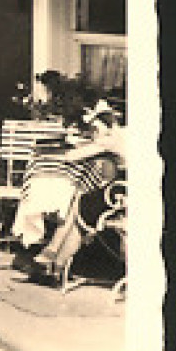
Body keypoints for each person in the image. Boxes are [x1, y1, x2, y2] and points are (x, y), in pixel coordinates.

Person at [29, 101, 127, 281]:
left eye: (96, 129)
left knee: (80, 205)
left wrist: (81, 145)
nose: (94, 134)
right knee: (80, 203)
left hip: (121, 194)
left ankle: (52, 261)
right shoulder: (122, 134)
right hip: (122, 190)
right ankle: (53, 263)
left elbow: (71, 156)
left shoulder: (110, 139)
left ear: (108, 125)